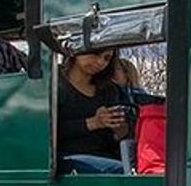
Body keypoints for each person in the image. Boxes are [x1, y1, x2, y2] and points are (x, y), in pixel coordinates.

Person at [57, 47, 135, 175]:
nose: (100, 62)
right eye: (95, 53)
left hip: (106, 156)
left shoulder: (110, 90)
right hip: (63, 158)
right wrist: (92, 123)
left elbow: (120, 137)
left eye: (106, 58)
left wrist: (120, 130)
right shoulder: (52, 83)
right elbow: (43, 132)